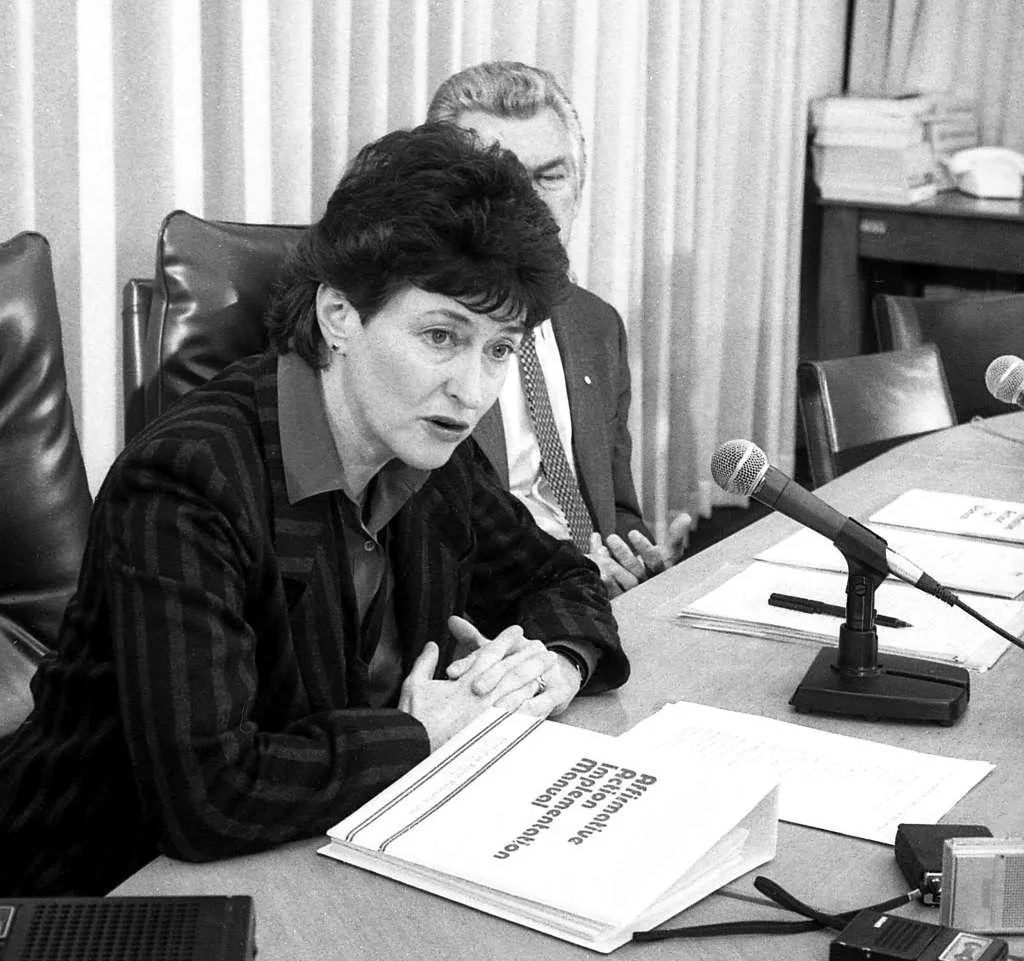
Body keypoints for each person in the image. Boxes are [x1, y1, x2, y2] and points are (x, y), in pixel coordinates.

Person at [0, 123, 628, 897]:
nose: (473, 389)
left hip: (314, 855)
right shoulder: (185, 482)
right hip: (93, 890)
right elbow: (209, 794)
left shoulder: (432, 450)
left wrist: (554, 664)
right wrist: (428, 731)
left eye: (500, 348)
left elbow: (564, 574)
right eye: (442, 336)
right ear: (339, 314)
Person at [427, 60, 688, 596]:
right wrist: (566, 579)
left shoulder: (597, 325)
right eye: (501, 179)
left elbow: (614, 509)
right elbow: (425, 543)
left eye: (550, 176)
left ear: (578, 188)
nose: (530, 203)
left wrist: (635, 559)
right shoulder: (425, 337)